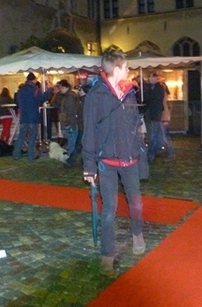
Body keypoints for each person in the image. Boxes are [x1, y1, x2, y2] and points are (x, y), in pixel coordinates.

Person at [82, 50, 146, 276]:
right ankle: (107, 254)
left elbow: (134, 124)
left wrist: (139, 146)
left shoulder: (129, 92)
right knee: (109, 209)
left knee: (136, 203)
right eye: (126, 67)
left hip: (130, 159)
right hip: (107, 161)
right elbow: (89, 131)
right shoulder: (95, 96)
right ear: (117, 69)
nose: (128, 71)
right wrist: (89, 165)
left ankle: (137, 234)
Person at [13, 73, 53, 160]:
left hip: (23, 116)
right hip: (33, 116)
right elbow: (42, 98)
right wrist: (49, 90)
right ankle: (31, 155)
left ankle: (16, 155)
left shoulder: (21, 90)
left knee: (21, 135)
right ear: (34, 80)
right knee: (32, 136)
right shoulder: (35, 90)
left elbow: (17, 102)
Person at [145, 72, 174, 163]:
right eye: (149, 77)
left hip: (160, 115)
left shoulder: (159, 88)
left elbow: (158, 102)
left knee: (161, 136)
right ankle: (152, 155)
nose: (150, 79)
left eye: (151, 77)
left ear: (156, 78)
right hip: (158, 115)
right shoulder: (153, 87)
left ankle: (151, 155)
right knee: (159, 136)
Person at [57, 79, 82, 166]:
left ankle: (71, 160)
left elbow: (70, 111)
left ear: (65, 87)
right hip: (72, 122)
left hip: (71, 123)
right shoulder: (70, 96)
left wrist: (67, 123)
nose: (60, 90)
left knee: (72, 142)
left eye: (61, 88)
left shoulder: (69, 97)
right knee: (73, 141)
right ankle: (71, 159)